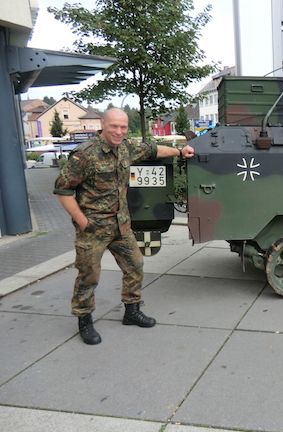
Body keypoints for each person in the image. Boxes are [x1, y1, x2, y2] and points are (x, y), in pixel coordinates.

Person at [54, 108, 195, 345]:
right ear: (103, 125)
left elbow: (153, 149)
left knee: (135, 265)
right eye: (114, 127)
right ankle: (84, 319)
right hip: (93, 228)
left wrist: (180, 151)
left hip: (121, 225)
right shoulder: (85, 155)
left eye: (123, 127)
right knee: (89, 275)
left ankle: (132, 310)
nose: (119, 131)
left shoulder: (126, 148)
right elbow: (62, 189)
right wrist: (82, 220)